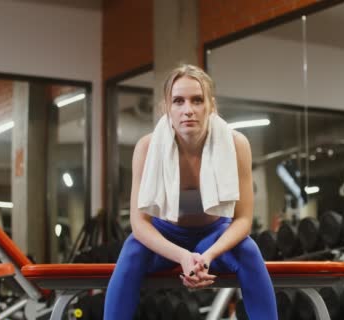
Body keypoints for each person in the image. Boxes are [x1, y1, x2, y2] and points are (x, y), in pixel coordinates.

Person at [103, 64, 277, 319]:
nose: (188, 110)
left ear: (211, 105)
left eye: (197, 100)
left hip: (214, 236)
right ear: (167, 107)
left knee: (249, 250)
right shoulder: (147, 147)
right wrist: (182, 256)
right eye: (178, 101)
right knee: (132, 250)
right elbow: (139, 224)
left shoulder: (236, 145)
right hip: (165, 237)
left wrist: (208, 256)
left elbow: (243, 220)